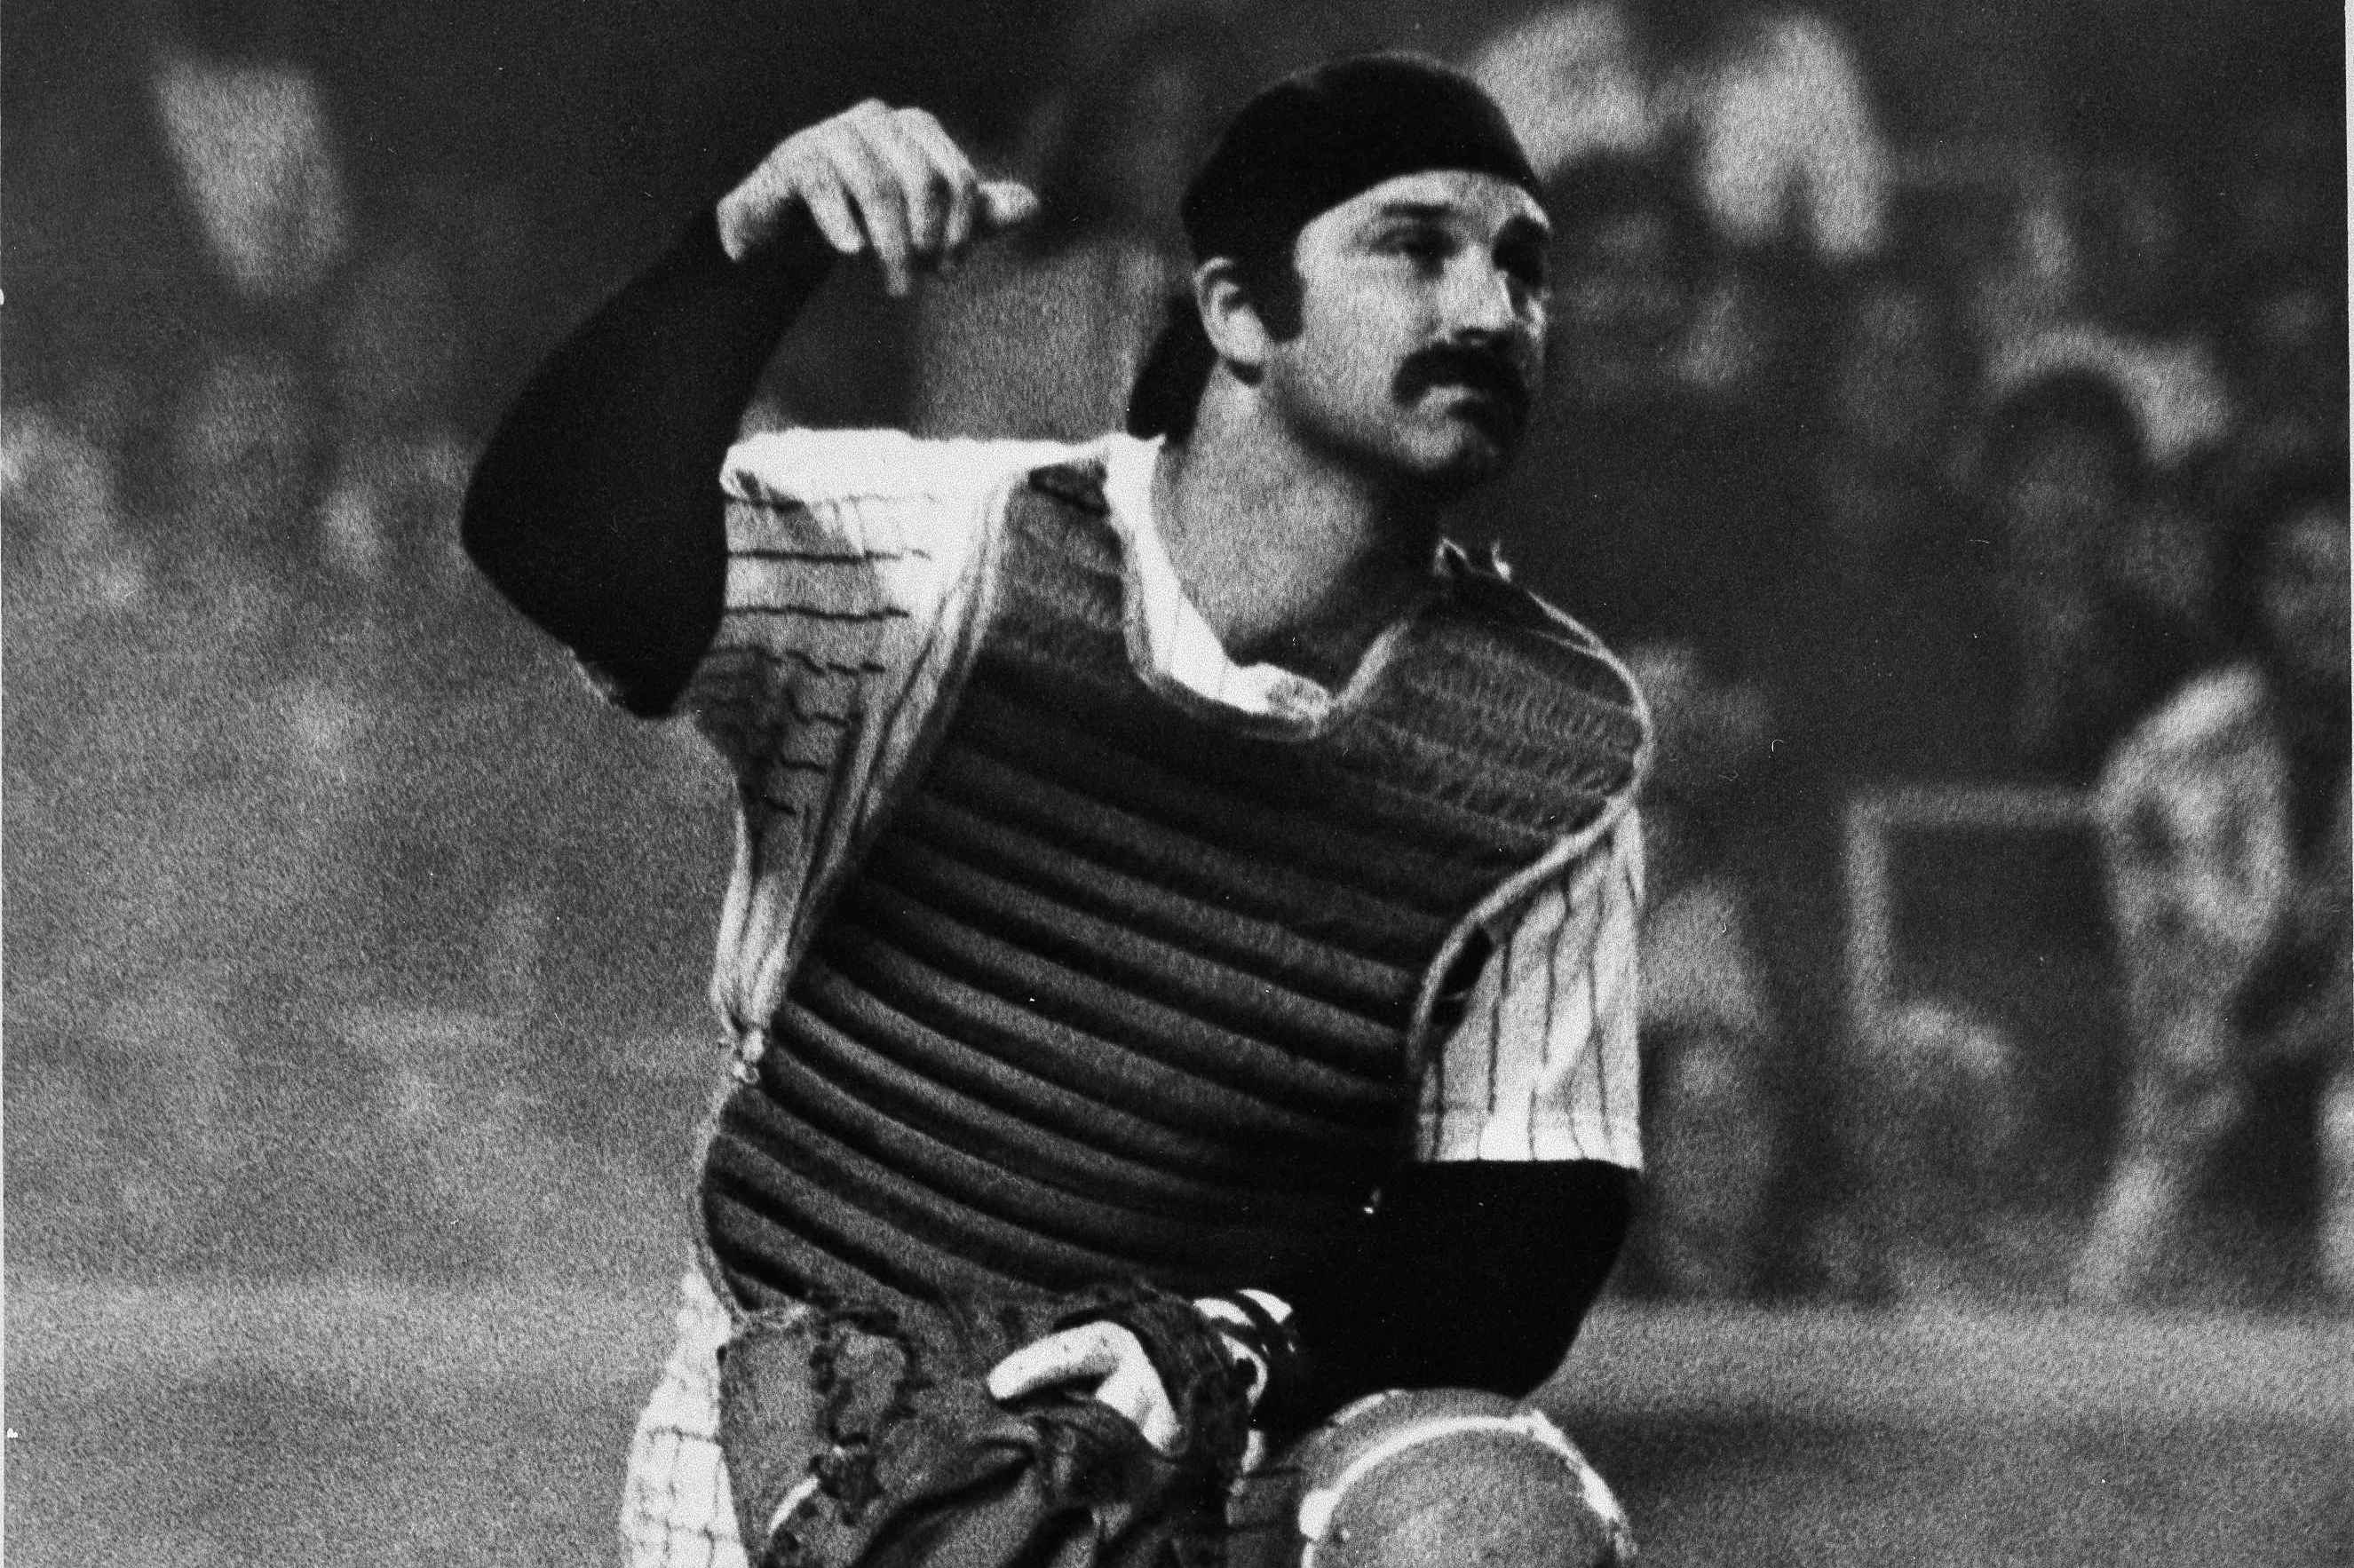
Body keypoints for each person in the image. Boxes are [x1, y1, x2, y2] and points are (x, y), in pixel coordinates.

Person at [464, 56, 1650, 1567]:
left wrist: (1223, 1357)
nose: (1490, 310)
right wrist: (745, 259)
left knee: (1488, 1531)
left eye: (1523, 268)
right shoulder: (942, 555)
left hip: (1201, 1434)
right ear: (1236, 311)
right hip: (823, 1442)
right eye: (1414, 248)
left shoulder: (1554, 735)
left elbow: (1519, 1243)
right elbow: (552, 544)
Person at [2073, 456, 2351, 1307]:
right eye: (2298, 575)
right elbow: (2189, 1011)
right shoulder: (2170, 758)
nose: (2327, 605)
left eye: (2349, 575)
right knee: (2111, 1301)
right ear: (2253, 590)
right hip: (2209, 1110)